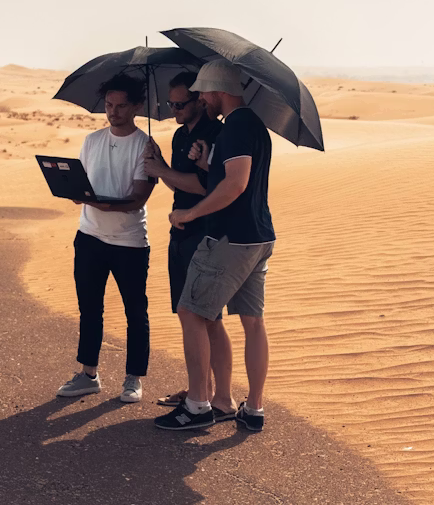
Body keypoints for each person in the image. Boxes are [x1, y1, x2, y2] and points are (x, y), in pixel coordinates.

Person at [153, 59, 275, 432]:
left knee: (192, 312)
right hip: (258, 235)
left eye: (204, 92)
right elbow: (233, 177)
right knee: (253, 322)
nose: (202, 99)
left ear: (219, 90)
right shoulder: (254, 125)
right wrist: (209, 164)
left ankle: (198, 405)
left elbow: (235, 185)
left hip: (230, 237)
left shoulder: (235, 126)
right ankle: (252, 408)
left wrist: (190, 214)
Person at [57, 74, 157, 403]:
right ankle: (88, 374)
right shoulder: (91, 140)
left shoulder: (146, 146)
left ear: (137, 107)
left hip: (129, 242)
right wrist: (75, 192)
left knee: (135, 311)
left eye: (121, 106)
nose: (113, 112)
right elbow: (83, 184)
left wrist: (104, 203)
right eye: (109, 105)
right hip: (89, 236)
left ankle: (133, 379)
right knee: (89, 308)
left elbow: (138, 199)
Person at [142, 72, 234, 421]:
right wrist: (161, 168)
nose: (175, 110)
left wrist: (162, 169)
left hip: (206, 235)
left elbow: (205, 187)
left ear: (199, 100)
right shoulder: (181, 135)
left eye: (180, 104)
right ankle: (201, 390)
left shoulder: (216, 134)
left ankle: (221, 398)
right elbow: (180, 186)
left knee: (208, 318)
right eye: (171, 104)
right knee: (190, 317)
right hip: (180, 232)